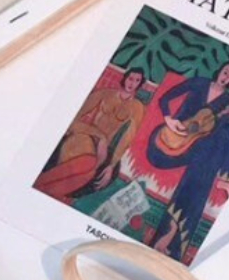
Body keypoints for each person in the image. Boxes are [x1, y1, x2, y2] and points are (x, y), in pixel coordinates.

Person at [146, 86, 229, 264]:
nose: (226, 78)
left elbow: (212, 126)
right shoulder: (201, 86)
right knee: (216, 142)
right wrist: (169, 118)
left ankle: (172, 241)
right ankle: (172, 240)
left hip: (202, 148)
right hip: (171, 144)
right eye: (225, 73)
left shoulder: (223, 109)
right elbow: (167, 100)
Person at [35, 68, 146, 200]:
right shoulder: (105, 94)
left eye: (137, 80)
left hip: (106, 149)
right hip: (87, 136)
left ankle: (43, 186)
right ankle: (45, 186)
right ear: (125, 78)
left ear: (140, 84)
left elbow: (127, 139)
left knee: (94, 170)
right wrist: (100, 136)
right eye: (130, 78)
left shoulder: (137, 107)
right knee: (88, 162)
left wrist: (112, 165)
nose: (132, 83)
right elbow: (73, 119)